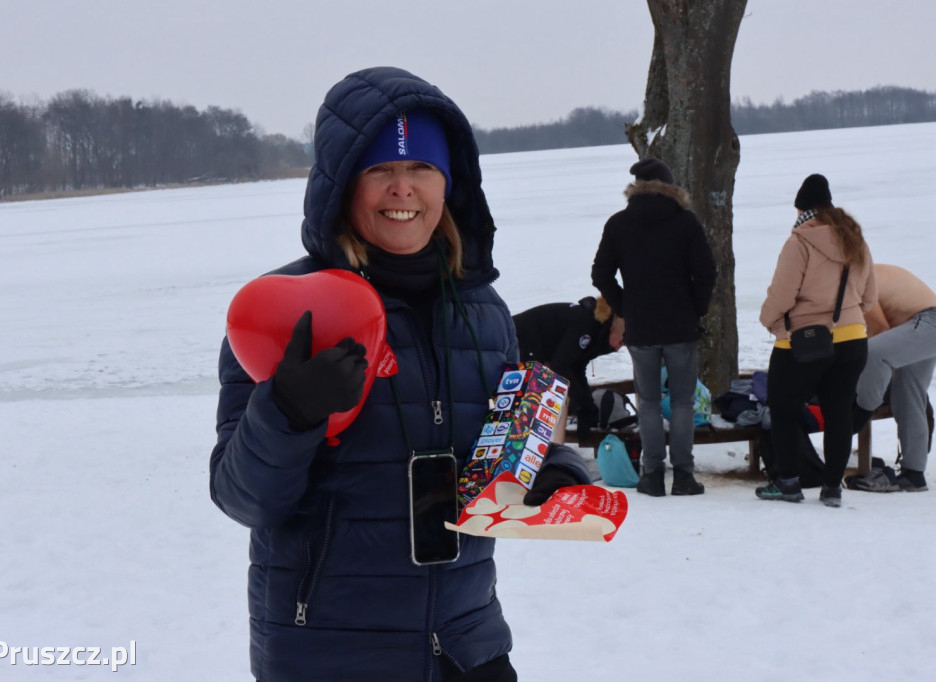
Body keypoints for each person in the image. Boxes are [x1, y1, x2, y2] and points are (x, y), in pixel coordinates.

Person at [208, 66, 591, 682]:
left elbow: (504, 450)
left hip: (468, 643)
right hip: (331, 653)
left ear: (449, 182)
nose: (402, 190)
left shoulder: (483, 311)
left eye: (421, 169)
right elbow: (242, 496)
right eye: (380, 169)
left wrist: (551, 470)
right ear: (341, 186)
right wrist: (288, 410)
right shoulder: (286, 310)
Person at [591, 158, 717, 497]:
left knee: (646, 402)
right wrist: (697, 308)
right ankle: (685, 476)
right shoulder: (685, 222)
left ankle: (651, 475)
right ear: (669, 186)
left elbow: (600, 274)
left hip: (642, 327)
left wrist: (624, 306)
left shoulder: (619, 224)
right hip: (680, 325)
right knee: (682, 402)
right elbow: (706, 272)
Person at [757, 173, 876, 507]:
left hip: (804, 342)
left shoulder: (799, 242)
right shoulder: (856, 240)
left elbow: (782, 294)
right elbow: (870, 296)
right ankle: (832, 487)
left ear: (802, 210)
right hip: (853, 341)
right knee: (838, 410)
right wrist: (848, 320)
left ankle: (789, 483)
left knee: (783, 408)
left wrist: (770, 321)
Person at [853, 264, 936, 492]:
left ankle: (861, 412)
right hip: (922, 323)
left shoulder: (855, 281)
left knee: (873, 353)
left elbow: (879, 330)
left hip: (926, 321)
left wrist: (862, 404)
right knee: (909, 396)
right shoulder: (862, 271)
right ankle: (914, 474)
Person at [512, 295, 624, 441]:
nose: (618, 347)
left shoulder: (598, 333)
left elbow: (576, 368)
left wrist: (587, 406)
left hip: (539, 345)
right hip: (520, 337)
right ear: (613, 328)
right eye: (621, 341)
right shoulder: (587, 327)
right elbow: (560, 366)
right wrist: (581, 402)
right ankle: (521, 443)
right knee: (531, 395)